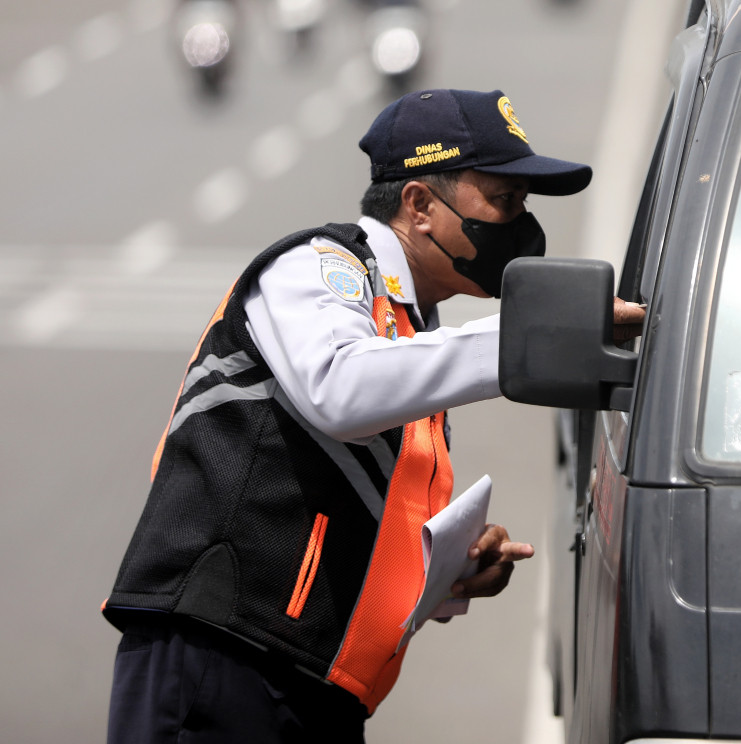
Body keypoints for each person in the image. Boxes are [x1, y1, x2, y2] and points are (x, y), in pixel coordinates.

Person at [103, 88, 645, 742]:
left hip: (318, 687)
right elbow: (339, 389)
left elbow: (356, 521)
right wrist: (526, 336)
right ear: (419, 205)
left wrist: (450, 572)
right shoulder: (321, 267)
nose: (520, 225)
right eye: (503, 201)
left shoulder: (414, 335)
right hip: (225, 657)